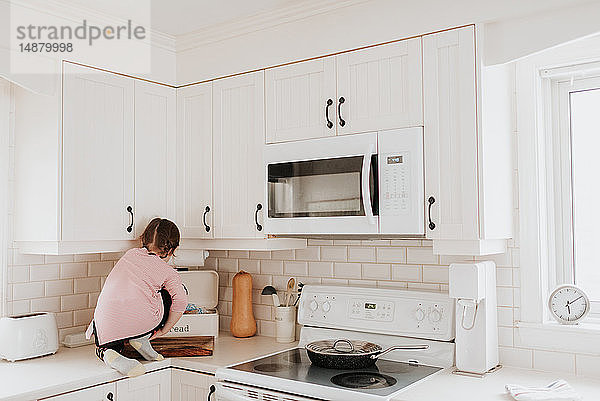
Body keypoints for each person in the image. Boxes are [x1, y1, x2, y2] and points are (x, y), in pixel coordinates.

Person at [85, 218, 188, 377]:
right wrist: (163, 331)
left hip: (102, 323)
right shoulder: (169, 273)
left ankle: (108, 353)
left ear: (143, 239)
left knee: (109, 338)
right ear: (174, 249)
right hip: (141, 322)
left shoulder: (130, 255)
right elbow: (181, 302)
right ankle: (142, 337)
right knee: (177, 292)